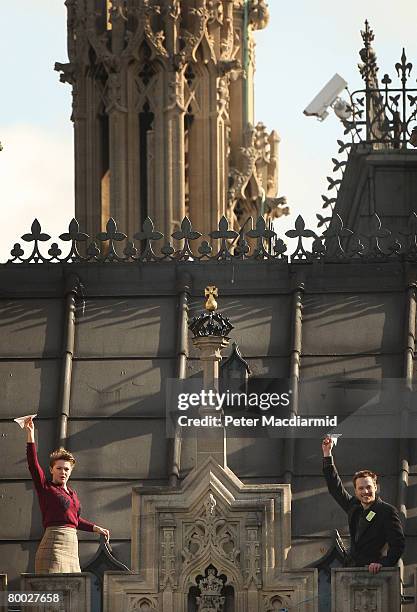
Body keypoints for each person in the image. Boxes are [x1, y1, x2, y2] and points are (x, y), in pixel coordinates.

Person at [24, 416, 110, 574]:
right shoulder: (46, 488)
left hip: (71, 547)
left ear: (70, 471)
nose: (62, 472)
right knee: (52, 592)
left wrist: (95, 528)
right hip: (53, 545)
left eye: (66, 469)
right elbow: (33, 465)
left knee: (73, 591)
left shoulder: (72, 493)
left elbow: (74, 520)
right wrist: (31, 435)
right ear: (51, 470)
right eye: (59, 468)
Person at [322, 436, 405, 574]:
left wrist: (382, 563)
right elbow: (335, 488)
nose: (365, 491)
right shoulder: (354, 506)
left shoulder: (386, 511)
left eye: (368, 487)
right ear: (355, 491)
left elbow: (398, 545)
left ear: (375, 487)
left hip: (372, 573)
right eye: (361, 488)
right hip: (351, 571)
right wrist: (327, 454)